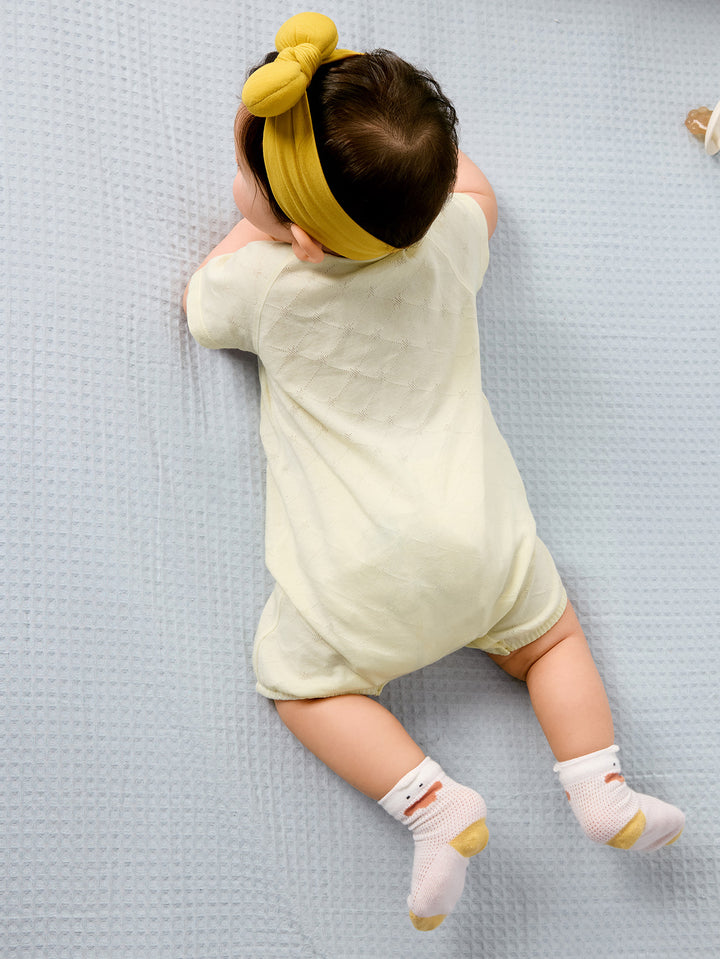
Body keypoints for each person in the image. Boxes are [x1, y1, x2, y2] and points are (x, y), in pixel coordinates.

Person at [183, 12, 685, 932]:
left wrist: (244, 233)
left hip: (358, 581)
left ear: (298, 238)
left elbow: (200, 307)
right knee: (550, 644)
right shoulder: (451, 242)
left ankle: (431, 802)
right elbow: (476, 190)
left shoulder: (264, 288)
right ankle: (601, 785)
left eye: (251, 181)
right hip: (486, 543)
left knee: (301, 685)